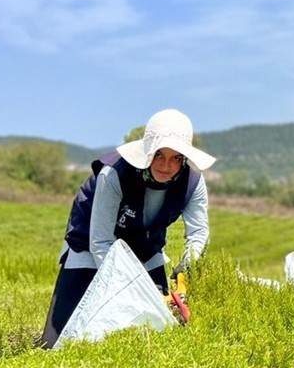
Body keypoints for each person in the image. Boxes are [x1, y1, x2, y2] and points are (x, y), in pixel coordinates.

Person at [40, 109, 216, 348]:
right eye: (159, 155)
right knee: (60, 341)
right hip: (90, 250)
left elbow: (198, 232)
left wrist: (188, 263)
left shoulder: (193, 184)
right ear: (148, 152)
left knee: (158, 330)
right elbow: (100, 242)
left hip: (145, 250)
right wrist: (128, 287)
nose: (166, 166)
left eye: (176, 158)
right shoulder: (114, 173)